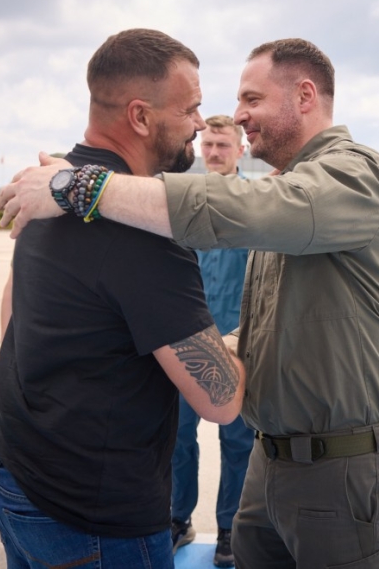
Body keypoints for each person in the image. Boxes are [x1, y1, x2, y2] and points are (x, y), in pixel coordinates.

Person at [0, 37, 379, 569]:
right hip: (271, 459)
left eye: (252, 99)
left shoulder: (356, 175)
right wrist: (202, 348)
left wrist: (81, 186)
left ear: (305, 96)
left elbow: (243, 206)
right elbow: (263, 331)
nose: (234, 116)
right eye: (200, 108)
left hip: (341, 468)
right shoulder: (286, 191)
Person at [0, 29, 246, 569]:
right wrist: (247, 338)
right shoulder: (145, 235)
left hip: (14, 470)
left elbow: (12, 313)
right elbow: (219, 400)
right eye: (190, 109)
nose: (200, 124)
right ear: (141, 117)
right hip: (92, 517)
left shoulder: (48, 186)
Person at [170, 115, 254, 568]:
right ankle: (177, 518)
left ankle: (230, 528)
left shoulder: (257, 206)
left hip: (238, 348)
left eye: (223, 144)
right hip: (186, 346)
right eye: (208, 145)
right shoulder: (185, 204)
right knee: (177, 439)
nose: (215, 152)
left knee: (238, 445)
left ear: (240, 150)